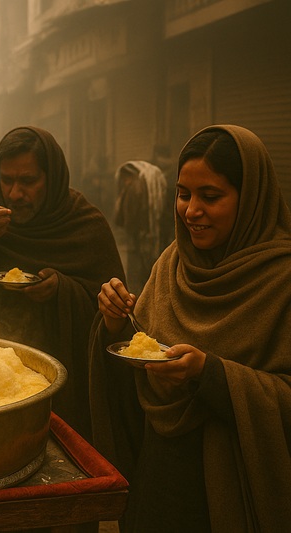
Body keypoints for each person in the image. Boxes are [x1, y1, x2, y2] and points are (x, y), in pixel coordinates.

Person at [92, 125, 291, 532]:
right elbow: (135, 364)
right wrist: (113, 325)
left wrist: (212, 374)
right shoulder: (170, 264)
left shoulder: (281, 280)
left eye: (211, 197)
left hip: (231, 496)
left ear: (251, 197)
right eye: (183, 194)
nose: (190, 211)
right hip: (158, 485)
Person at [0, 126, 124, 439]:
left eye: (28, 181)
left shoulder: (84, 223)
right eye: (6, 180)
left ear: (53, 177)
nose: (15, 194)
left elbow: (113, 314)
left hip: (64, 387)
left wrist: (62, 289)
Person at [112, 160, 167, 294]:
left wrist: (132, 231)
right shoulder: (146, 185)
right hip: (146, 233)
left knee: (135, 271)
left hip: (135, 235)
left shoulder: (133, 188)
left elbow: (131, 215)